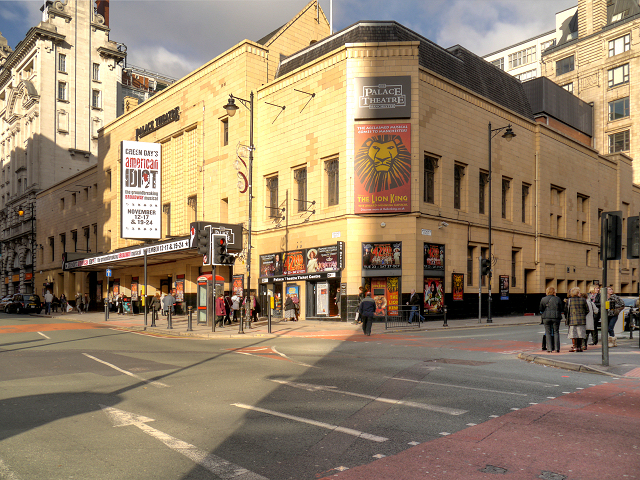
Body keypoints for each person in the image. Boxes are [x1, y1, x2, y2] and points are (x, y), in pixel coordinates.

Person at [539, 286, 563, 353]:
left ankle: (549, 349)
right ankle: (557, 348)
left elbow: (541, 309)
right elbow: (561, 309)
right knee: (556, 332)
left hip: (546, 317)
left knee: (548, 332)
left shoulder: (543, 299)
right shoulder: (557, 299)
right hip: (556, 317)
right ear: (554, 292)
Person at [566, 287, 587, 352]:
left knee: (573, 334)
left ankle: (575, 347)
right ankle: (580, 347)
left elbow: (566, 310)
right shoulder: (583, 300)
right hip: (581, 319)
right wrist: (583, 315)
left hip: (572, 319)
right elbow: (587, 310)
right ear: (578, 293)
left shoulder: (569, 300)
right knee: (580, 334)